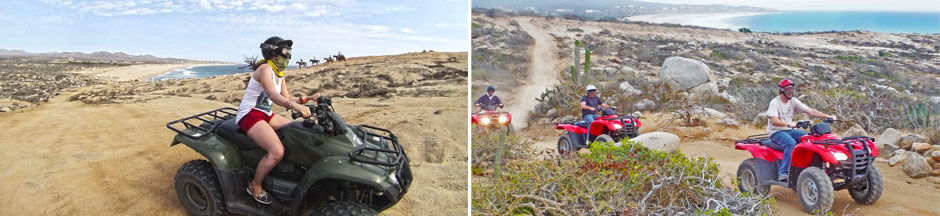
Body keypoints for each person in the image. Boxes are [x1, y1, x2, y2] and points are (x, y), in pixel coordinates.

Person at [236, 36, 319, 204]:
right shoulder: (264, 69)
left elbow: (287, 97)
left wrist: (308, 98)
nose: (287, 54)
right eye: (285, 50)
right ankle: (255, 185)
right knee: (277, 151)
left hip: (265, 115)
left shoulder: (279, 74)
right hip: (249, 114)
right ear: (273, 51)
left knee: (297, 129)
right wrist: (294, 107)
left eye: (288, 51)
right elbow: (274, 96)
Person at [766, 79, 835, 181]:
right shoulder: (775, 103)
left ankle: (807, 168)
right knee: (790, 143)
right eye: (787, 89)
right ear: (781, 91)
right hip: (776, 131)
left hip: (789, 130)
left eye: (792, 89)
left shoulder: (793, 101)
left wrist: (827, 116)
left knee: (809, 139)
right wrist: (788, 124)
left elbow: (810, 111)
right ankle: (783, 173)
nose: (790, 91)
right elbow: (774, 121)